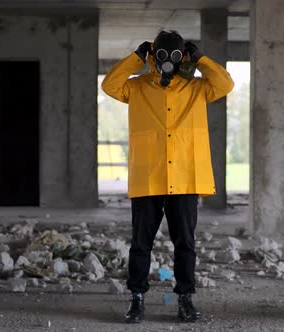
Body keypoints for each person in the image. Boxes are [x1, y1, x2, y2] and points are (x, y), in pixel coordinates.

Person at [101, 30, 234, 324]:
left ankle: (185, 300)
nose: (168, 62)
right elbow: (109, 85)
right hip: (148, 177)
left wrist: (199, 58)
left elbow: (225, 83)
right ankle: (136, 299)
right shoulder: (137, 87)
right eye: (162, 55)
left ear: (183, 57)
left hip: (185, 178)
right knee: (140, 243)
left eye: (175, 55)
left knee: (185, 242)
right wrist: (136, 57)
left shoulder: (198, 88)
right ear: (153, 56)